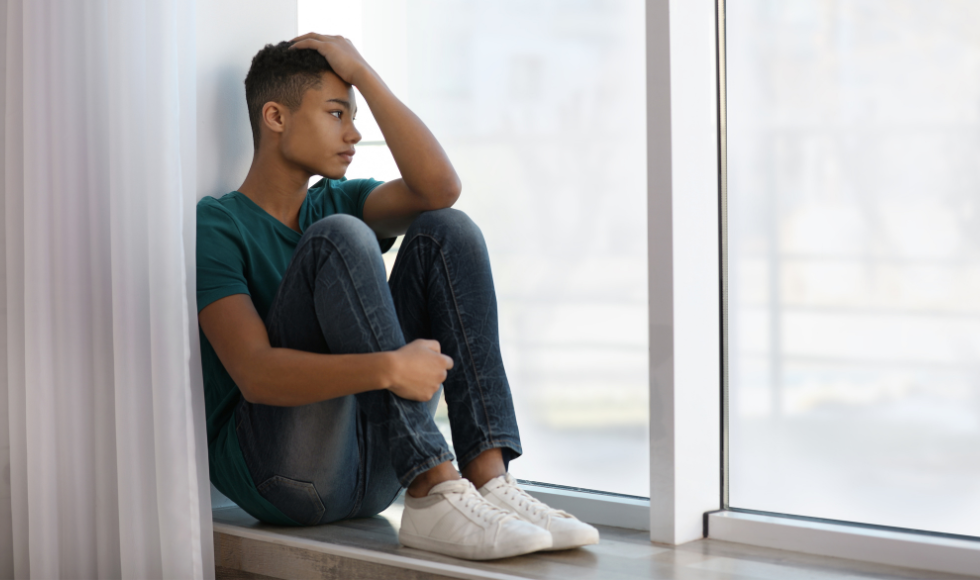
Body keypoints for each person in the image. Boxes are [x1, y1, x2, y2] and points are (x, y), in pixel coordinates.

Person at [196, 33, 599, 561]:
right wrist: (387, 368)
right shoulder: (220, 224)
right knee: (340, 237)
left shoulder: (338, 198)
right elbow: (255, 373)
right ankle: (433, 481)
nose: (355, 133)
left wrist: (361, 71)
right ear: (276, 117)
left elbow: (440, 189)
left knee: (446, 229)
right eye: (338, 113)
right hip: (281, 476)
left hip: (371, 471)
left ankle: (484, 479)